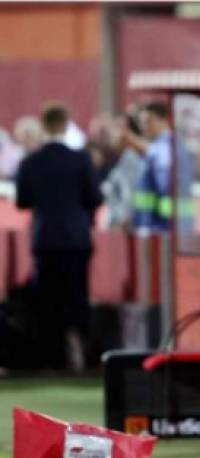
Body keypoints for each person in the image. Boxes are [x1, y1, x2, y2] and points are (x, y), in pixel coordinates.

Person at [14, 102, 103, 372]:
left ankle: (52, 357)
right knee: (77, 295)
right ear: (66, 124)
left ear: (43, 125)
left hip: (45, 240)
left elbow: (22, 200)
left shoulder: (31, 161)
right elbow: (95, 198)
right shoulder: (81, 159)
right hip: (76, 239)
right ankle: (82, 353)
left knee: (48, 300)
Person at [133, 101, 195, 235]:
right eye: (141, 123)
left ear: (162, 120)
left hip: (162, 226)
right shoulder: (176, 145)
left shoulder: (163, 149)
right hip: (172, 225)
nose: (144, 127)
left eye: (148, 121)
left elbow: (164, 183)